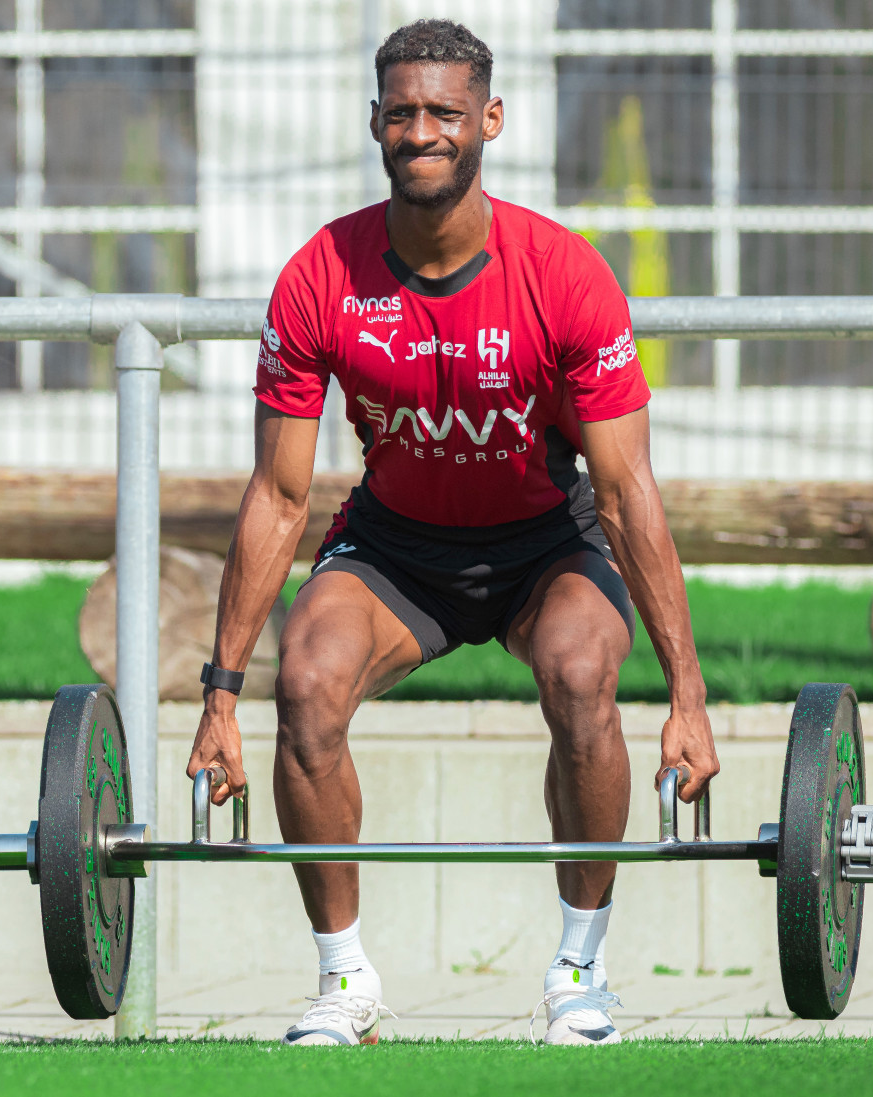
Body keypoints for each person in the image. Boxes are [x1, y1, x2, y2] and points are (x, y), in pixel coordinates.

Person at [186, 17, 719, 1047]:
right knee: (304, 679)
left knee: (577, 672)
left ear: (489, 120)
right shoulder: (319, 276)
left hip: (545, 546)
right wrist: (220, 695)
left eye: (442, 111)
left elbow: (626, 491)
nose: (420, 130)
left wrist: (688, 696)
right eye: (401, 112)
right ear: (375, 125)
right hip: (395, 549)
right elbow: (279, 497)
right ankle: (345, 982)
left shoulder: (563, 276)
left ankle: (578, 968)